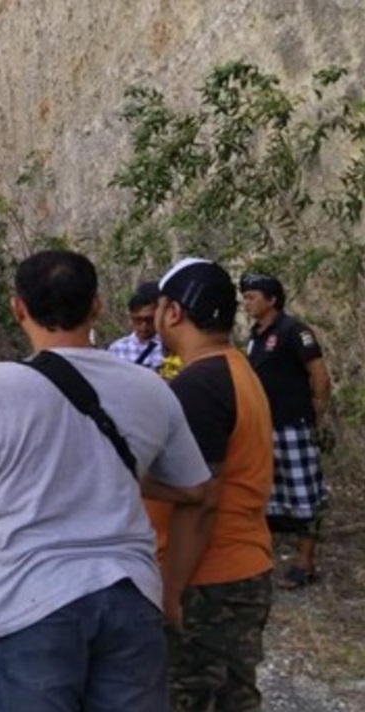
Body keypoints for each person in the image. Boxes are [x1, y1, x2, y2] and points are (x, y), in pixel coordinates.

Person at [0, 250, 216, 712]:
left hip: (29, 600)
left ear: (18, 308)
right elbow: (196, 490)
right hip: (131, 592)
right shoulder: (150, 387)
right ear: (97, 305)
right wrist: (122, 476)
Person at [151, 258, 274, 711]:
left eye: (160, 307)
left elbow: (200, 500)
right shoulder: (236, 369)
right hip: (240, 569)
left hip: (208, 580)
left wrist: (172, 589)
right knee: (234, 699)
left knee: (190, 697)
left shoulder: (199, 384)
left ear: (175, 312)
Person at [241, 273, 333, 589]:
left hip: (293, 426)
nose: (246, 301)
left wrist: (317, 416)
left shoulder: (294, 331)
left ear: (272, 300)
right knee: (267, 495)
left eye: (252, 296)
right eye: (245, 295)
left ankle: (304, 563)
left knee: (304, 492)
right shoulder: (255, 335)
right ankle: (263, 561)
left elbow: (319, 376)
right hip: (263, 428)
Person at [108, 280, 166, 371]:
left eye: (149, 320)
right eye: (138, 320)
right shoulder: (118, 348)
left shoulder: (167, 346)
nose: (144, 326)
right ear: (131, 318)